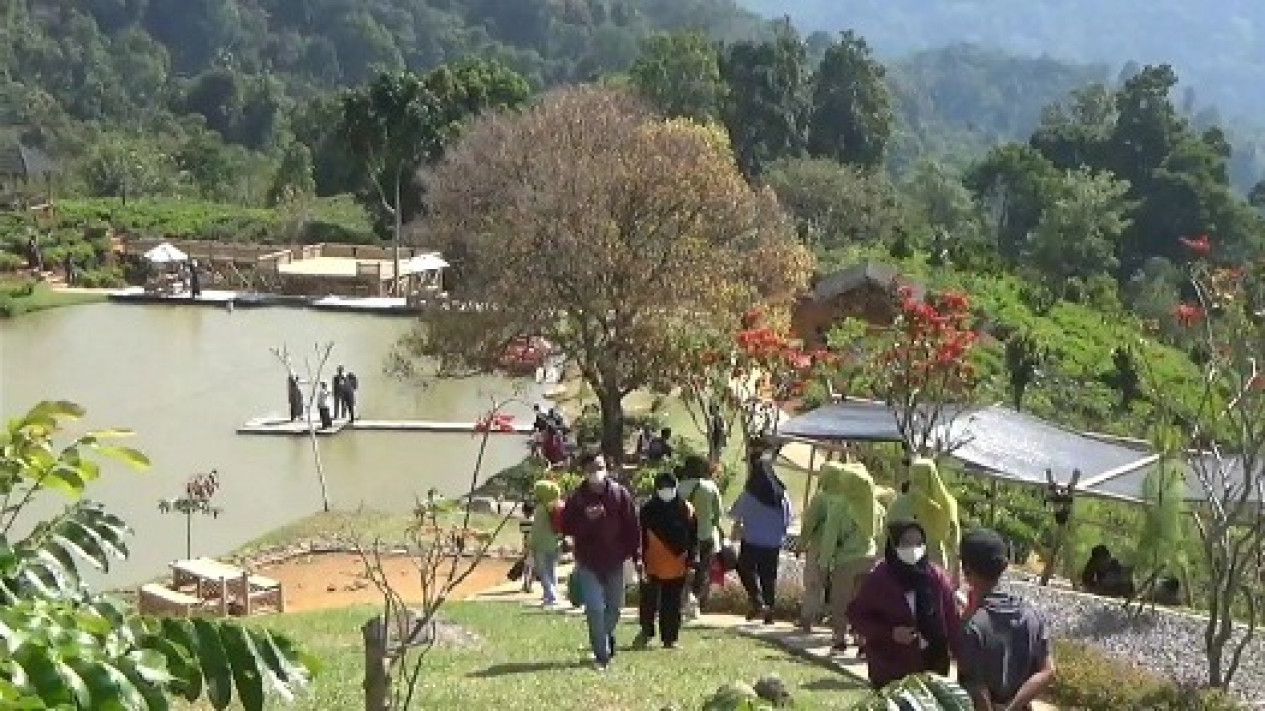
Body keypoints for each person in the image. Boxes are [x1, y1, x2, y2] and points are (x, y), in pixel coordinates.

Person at [846, 521, 963, 690]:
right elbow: (857, 616)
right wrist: (889, 633)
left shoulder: (935, 577)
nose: (913, 549)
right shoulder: (880, 579)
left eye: (918, 543)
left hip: (932, 667)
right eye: (906, 543)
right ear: (893, 545)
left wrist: (961, 657)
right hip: (890, 669)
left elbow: (951, 619)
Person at [957, 528, 1055, 711]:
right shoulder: (1033, 615)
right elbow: (1047, 671)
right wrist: (1013, 707)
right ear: (1003, 567)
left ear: (967, 569)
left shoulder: (973, 627)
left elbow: (977, 690)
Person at [560, 452, 640, 670]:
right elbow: (566, 527)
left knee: (614, 609)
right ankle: (601, 655)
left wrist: (636, 556)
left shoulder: (619, 494)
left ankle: (604, 636)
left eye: (600, 466)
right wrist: (586, 519)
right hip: (588, 561)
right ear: (584, 472)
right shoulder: (577, 499)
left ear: (607, 467)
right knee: (594, 608)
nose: (596, 472)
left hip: (615, 560)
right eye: (592, 469)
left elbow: (632, 526)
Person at [730, 441, 793, 624]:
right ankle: (769, 610)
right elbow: (789, 516)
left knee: (744, 568)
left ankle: (756, 600)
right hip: (773, 542)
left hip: (752, 540)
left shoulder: (750, 494)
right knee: (769, 575)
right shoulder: (783, 494)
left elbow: (735, 513)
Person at [633, 471, 698, 649]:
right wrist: (639, 559)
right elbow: (640, 537)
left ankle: (670, 638)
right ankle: (646, 632)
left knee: (673, 602)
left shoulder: (687, 509)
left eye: (669, 487)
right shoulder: (647, 510)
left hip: (678, 562)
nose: (666, 491)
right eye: (662, 488)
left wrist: (692, 561)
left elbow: (693, 538)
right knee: (648, 601)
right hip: (652, 562)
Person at [887, 458, 961, 579]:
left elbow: (887, 532)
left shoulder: (900, 504)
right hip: (935, 560)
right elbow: (954, 540)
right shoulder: (946, 503)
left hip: (906, 558)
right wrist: (956, 569)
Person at [677, 455, 723, 617]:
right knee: (703, 570)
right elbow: (718, 513)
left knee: (684, 570)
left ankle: (682, 600)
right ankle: (695, 600)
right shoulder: (710, 487)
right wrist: (712, 524)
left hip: (685, 537)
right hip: (707, 534)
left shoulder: (679, 488)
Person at [528, 479, 566, 607]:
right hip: (555, 543)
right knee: (552, 570)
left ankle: (551, 595)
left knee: (542, 571)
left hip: (541, 545)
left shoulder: (540, 509)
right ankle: (550, 595)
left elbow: (536, 530)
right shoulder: (558, 506)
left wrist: (531, 543)